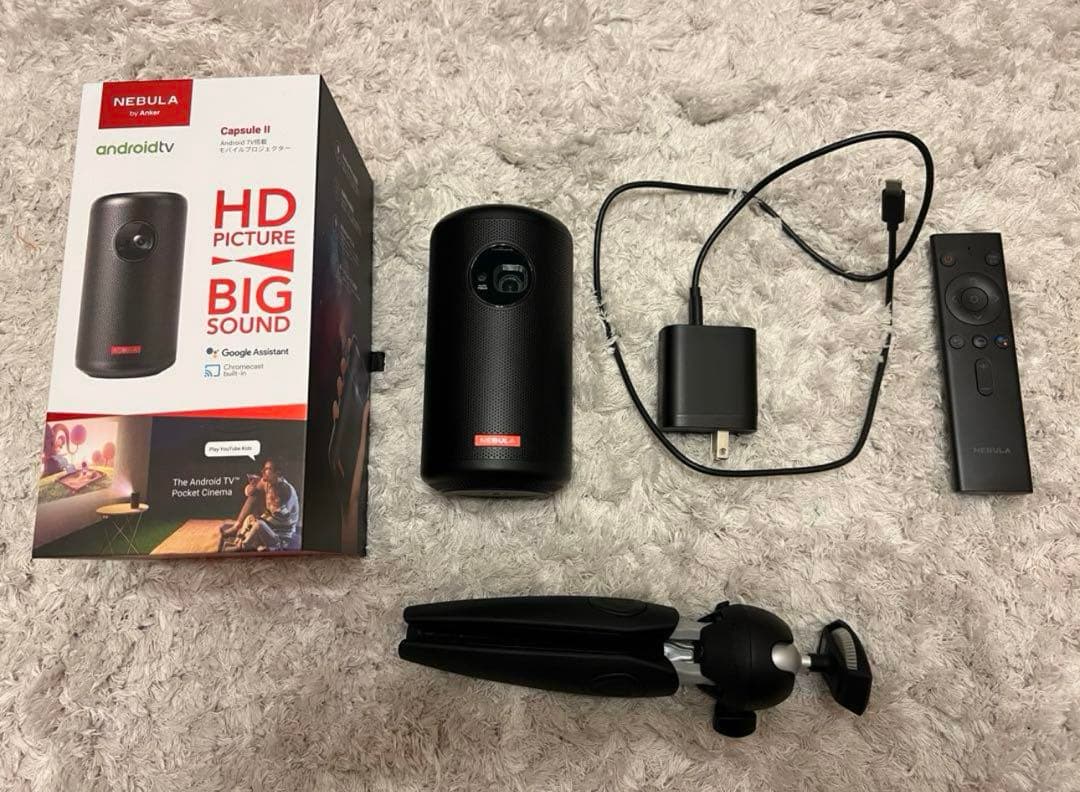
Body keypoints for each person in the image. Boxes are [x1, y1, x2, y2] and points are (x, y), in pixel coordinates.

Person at [219, 459, 300, 551]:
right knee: (251, 517)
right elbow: (249, 492)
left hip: (279, 536)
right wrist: (253, 485)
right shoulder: (269, 482)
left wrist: (256, 523)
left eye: (267, 469)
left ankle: (242, 546)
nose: (262, 471)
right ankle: (238, 537)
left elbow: (275, 521)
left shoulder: (285, 492)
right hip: (270, 525)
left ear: (277, 473)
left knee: (257, 524)